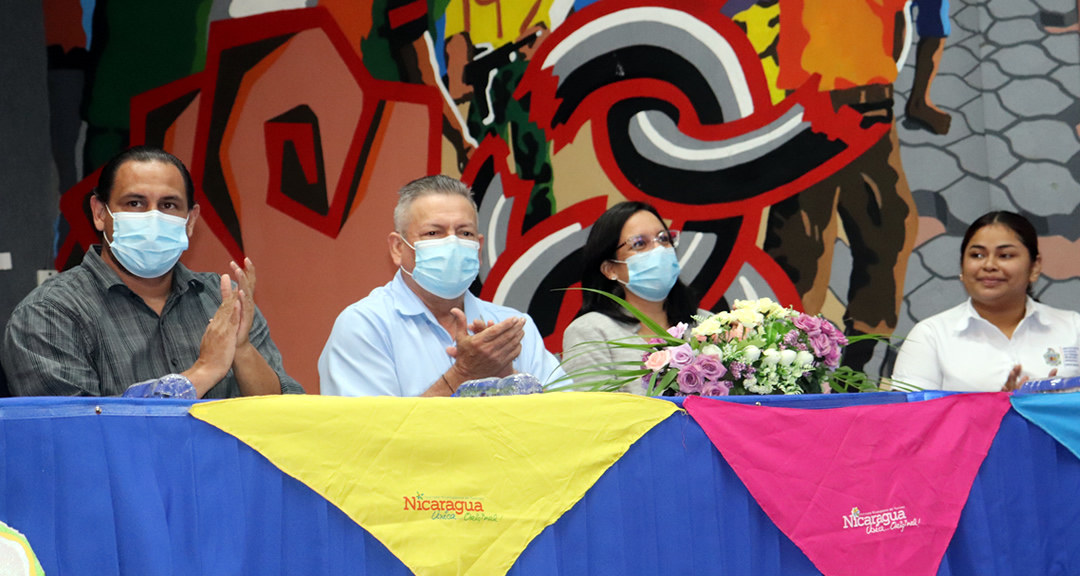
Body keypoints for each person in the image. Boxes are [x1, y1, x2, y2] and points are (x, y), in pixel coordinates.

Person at [2, 146, 303, 398]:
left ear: (190, 220)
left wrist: (241, 348)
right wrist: (204, 370)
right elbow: (83, 438)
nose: (153, 218)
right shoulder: (49, 313)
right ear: (99, 213)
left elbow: (283, 417)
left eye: (169, 205)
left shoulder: (221, 300)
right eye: (135, 203)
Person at [318, 175, 564, 397]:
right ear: (398, 248)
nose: (452, 244)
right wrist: (463, 374)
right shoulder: (365, 326)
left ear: (479, 248)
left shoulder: (513, 328)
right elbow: (371, 438)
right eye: (433, 233)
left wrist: (510, 378)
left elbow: (567, 419)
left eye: (465, 233)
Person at [891, 211, 1080, 392]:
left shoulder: (1073, 328)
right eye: (977, 255)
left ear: (1035, 267)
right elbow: (910, 417)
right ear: (962, 267)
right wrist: (998, 407)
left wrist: (1053, 407)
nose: (989, 265)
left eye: (1005, 255)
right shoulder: (931, 336)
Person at [561, 202, 704, 394]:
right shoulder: (591, 333)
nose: (659, 250)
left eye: (664, 239)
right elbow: (594, 416)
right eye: (639, 244)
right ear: (610, 269)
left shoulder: (706, 323)